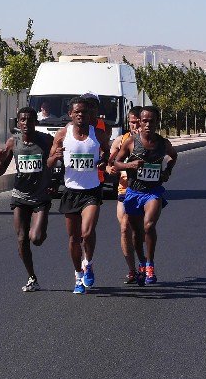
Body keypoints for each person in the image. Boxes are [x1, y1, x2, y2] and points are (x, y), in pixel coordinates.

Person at [48, 96, 111, 294]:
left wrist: (103, 160)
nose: (80, 115)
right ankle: (77, 275)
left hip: (92, 191)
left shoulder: (98, 134)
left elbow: (107, 152)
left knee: (87, 232)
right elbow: (49, 162)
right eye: (77, 112)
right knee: (74, 238)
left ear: (89, 114)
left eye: (84, 112)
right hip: (70, 191)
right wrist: (55, 157)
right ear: (70, 114)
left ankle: (88, 263)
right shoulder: (62, 134)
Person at [114, 105, 177, 285]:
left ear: (157, 122)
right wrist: (130, 166)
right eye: (145, 121)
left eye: (152, 121)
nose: (148, 124)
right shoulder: (132, 142)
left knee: (149, 226)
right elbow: (117, 163)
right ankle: (141, 263)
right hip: (134, 192)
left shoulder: (163, 143)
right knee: (136, 233)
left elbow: (173, 156)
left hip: (153, 192)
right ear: (139, 123)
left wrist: (167, 171)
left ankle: (150, 265)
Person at [0, 107, 54, 292]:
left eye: (30, 120)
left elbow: (57, 162)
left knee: (36, 239)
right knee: (21, 239)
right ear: (18, 123)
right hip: (20, 196)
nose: (26, 124)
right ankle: (31, 277)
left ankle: (40, 229)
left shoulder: (46, 140)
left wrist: (55, 182)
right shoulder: (13, 142)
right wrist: (2, 158)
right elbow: (0, 171)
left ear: (35, 122)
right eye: (23, 120)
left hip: (40, 196)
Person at [107, 106, 143, 283]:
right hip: (124, 191)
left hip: (143, 192)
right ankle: (132, 270)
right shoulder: (121, 140)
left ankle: (144, 263)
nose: (134, 125)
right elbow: (109, 163)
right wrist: (110, 169)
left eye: (137, 122)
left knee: (139, 233)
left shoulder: (150, 142)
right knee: (124, 229)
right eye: (131, 121)